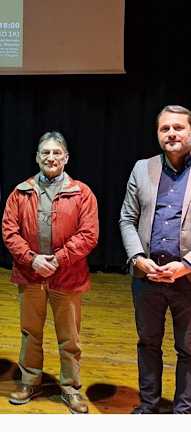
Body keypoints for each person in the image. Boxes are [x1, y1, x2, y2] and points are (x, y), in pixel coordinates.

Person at [1, 131, 98, 414]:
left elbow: (89, 235)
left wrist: (57, 260)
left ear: (66, 158)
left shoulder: (82, 193)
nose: (51, 157)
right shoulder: (21, 192)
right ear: (37, 157)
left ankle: (70, 388)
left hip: (68, 277)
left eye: (57, 153)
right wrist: (31, 259)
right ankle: (30, 381)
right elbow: (9, 231)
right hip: (30, 275)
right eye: (46, 152)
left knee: (70, 337)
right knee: (30, 333)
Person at [119, 104, 191, 414]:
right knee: (148, 344)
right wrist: (136, 257)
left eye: (178, 127)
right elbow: (127, 218)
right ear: (158, 134)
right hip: (146, 278)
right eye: (165, 128)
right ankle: (148, 408)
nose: (172, 133)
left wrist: (187, 264)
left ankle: (183, 412)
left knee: (188, 350)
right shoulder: (141, 168)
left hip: (187, 280)